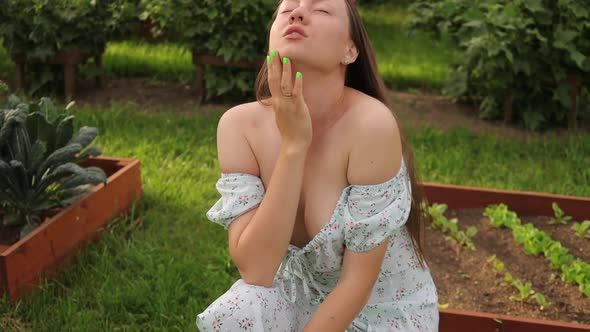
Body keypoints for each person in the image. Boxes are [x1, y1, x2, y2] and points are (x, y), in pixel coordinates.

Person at [196, 0, 439, 330]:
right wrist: (293, 147)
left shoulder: (371, 125)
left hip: (377, 311)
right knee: (243, 308)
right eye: (287, 10)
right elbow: (257, 270)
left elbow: (357, 282)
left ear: (350, 51)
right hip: (295, 296)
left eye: (321, 10)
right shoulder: (239, 126)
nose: (297, 13)